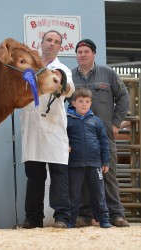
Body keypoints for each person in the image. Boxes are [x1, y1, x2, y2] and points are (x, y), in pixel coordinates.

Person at [17, 30, 75, 229]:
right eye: (49, 40)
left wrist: (61, 83)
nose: (52, 44)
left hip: (53, 127)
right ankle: (32, 218)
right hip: (32, 127)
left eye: (56, 42)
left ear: (60, 47)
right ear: (41, 43)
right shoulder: (29, 68)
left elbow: (69, 90)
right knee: (34, 175)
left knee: (59, 173)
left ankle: (62, 217)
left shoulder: (62, 69)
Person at [70, 39, 130, 227]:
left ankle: (116, 214)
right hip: (79, 138)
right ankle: (85, 215)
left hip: (104, 135)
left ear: (94, 54)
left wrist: (116, 123)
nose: (83, 54)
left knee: (108, 174)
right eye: (79, 52)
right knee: (84, 176)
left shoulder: (108, 73)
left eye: (86, 51)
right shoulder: (70, 76)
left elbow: (123, 96)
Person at [67, 87, 112, 228]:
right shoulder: (67, 120)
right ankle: (70, 221)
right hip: (74, 163)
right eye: (80, 101)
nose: (84, 104)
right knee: (73, 194)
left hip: (95, 164)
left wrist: (105, 161)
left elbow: (104, 142)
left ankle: (103, 220)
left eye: (87, 101)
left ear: (91, 103)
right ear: (74, 103)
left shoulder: (97, 121)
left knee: (98, 193)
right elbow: (62, 138)